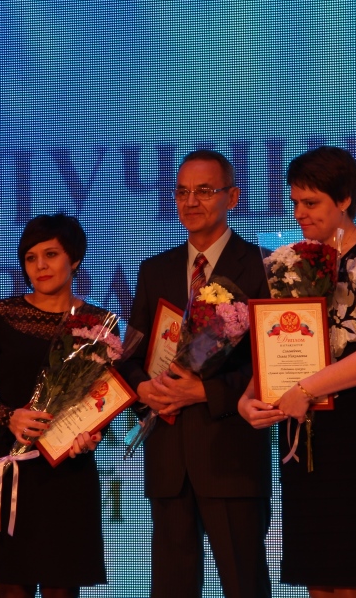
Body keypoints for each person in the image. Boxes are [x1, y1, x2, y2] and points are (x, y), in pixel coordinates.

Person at [239, 145, 356, 598]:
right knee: (317, 576)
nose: (299, 213)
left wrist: (305, 388)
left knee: (352, 574)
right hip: (304, 432)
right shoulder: (289, 263)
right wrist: (252, 395)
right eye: (295, 202)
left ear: (345, 199)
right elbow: (278, 340)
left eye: (311, 202)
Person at [118, 149, 272, 598]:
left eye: (204, 191)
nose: (190, 201)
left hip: (231, 454)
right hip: (168, 457)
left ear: (233, 197)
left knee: (244, 584)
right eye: (182, 192)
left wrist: (204, 392)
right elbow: (130, 355)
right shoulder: (155, 270)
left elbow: (272, 365)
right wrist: (143, 387)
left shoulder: (264, 267)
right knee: (172, 587)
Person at [0, 214, 111, 598]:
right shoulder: (0, 314)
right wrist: (8, 417)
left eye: (51, 254)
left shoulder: (97, 324)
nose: (40, 266)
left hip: (68, 473)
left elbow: (105, 397)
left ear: (74, 259)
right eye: (31, 258)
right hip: (10, 466)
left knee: (61, 589)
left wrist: (93, 434)